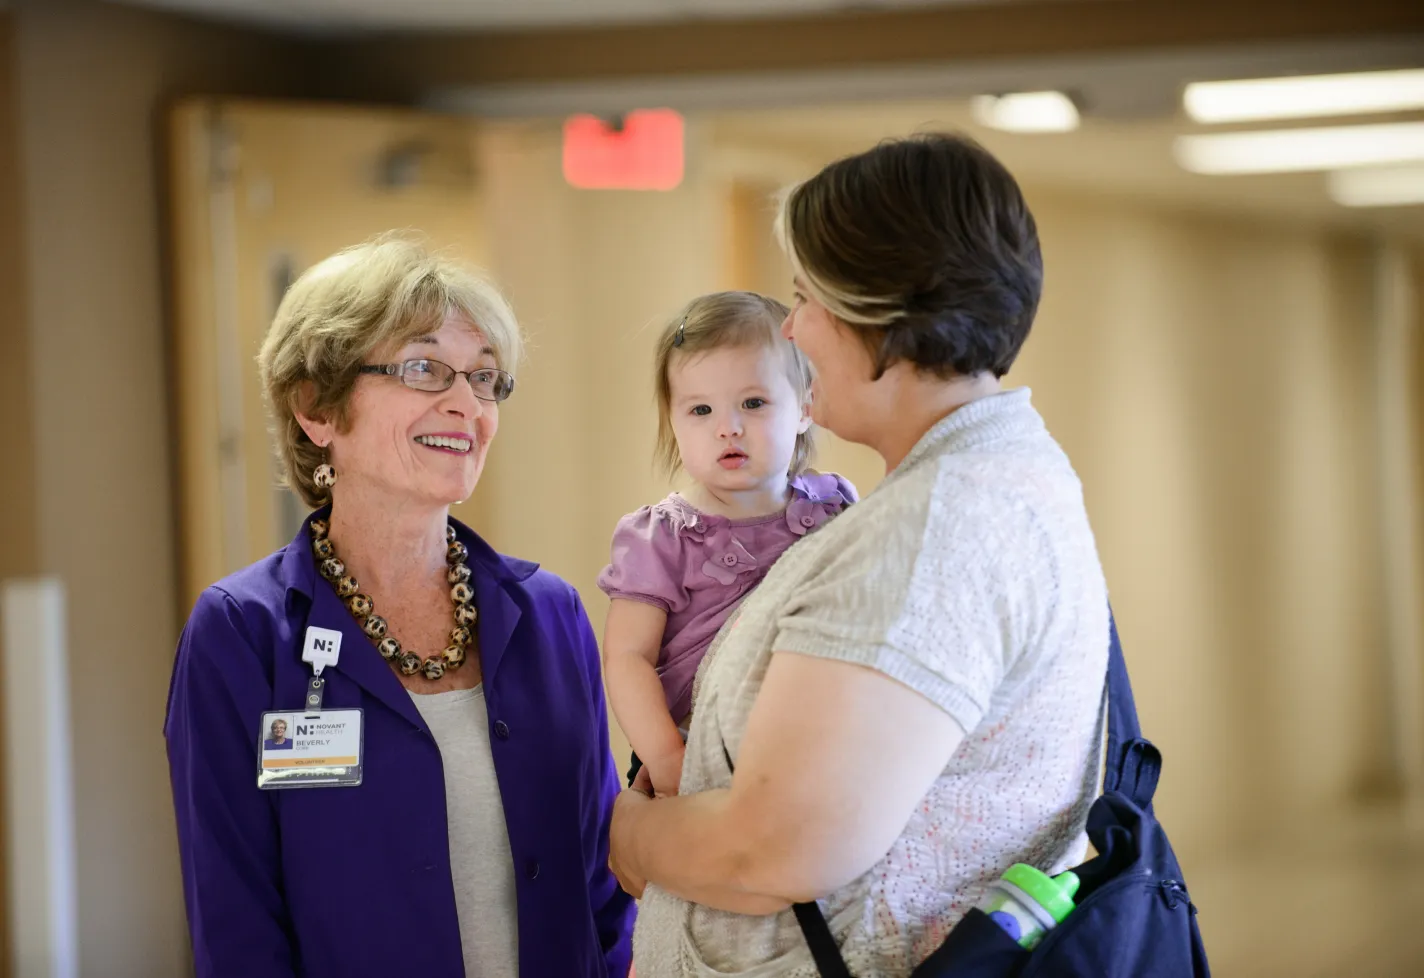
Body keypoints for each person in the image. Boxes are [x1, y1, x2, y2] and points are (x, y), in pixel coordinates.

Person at [609, 133, 1111, 977]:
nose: (795, 327)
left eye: (806, 298)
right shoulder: (1001, 470)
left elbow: (772, 850)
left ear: (880, 309)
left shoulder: (929, 530)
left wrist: (628, 832)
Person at [164, 234, 634, 978]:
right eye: (424, 369)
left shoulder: (549, 614)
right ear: (318, 408)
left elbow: (606, 887)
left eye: (485, 379)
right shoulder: (242, 632)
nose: (466, 403)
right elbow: (236, 920)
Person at [597, 292, 856, 797]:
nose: (727, 427)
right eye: (700, 409)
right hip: (694, 747)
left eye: (753, 403)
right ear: (673, 422)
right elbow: (627, 657)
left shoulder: (834, 509)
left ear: (805, 408)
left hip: (812, 744)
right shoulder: (661, 537)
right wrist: (668, 756)